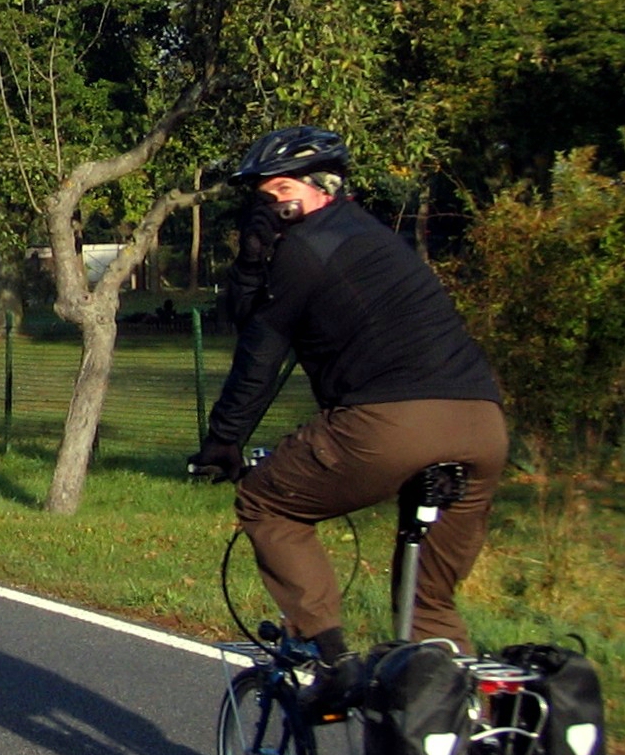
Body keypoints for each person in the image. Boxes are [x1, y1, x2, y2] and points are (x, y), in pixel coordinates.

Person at [187, 126, 506, 710]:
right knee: (427, 604)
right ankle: (466, 735)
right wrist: (254, 262)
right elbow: (252, 312)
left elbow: (260, 353)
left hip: (390, 424)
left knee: (266, 502)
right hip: (482, 425)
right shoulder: (374, 238)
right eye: (259, 198)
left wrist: (223, 442)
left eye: (273, 193)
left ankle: (328, 655)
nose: (263, 208)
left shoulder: (304, 250)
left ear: (309, 189)